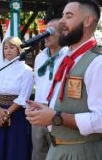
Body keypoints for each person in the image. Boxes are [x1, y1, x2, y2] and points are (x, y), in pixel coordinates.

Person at [25, 0, 102, 160]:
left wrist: (55, 117)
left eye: (68, 16)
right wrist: (44, 109)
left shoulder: (100, 64)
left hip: (83, 153)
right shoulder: (67, 60)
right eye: (62, 15)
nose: (61, 21)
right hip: (58, 150)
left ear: (88, 20)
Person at [0, 36, 33, 160]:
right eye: (5, 48)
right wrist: (0, 111)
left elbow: (24, 96)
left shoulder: (26, 71)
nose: (8, 50)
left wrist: (7, 112)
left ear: (19, 50)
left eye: (12, 47)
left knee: (15, 147)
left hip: (16, 114)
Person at [31, 19, 67, 160]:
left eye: (50, 32)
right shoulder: (40, 57)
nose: (46, 35)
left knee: (58, 153)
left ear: (62, 34)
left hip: (58, 111)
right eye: (44, 32)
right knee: (39, 151)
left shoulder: (68, 56)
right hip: (39, 109)